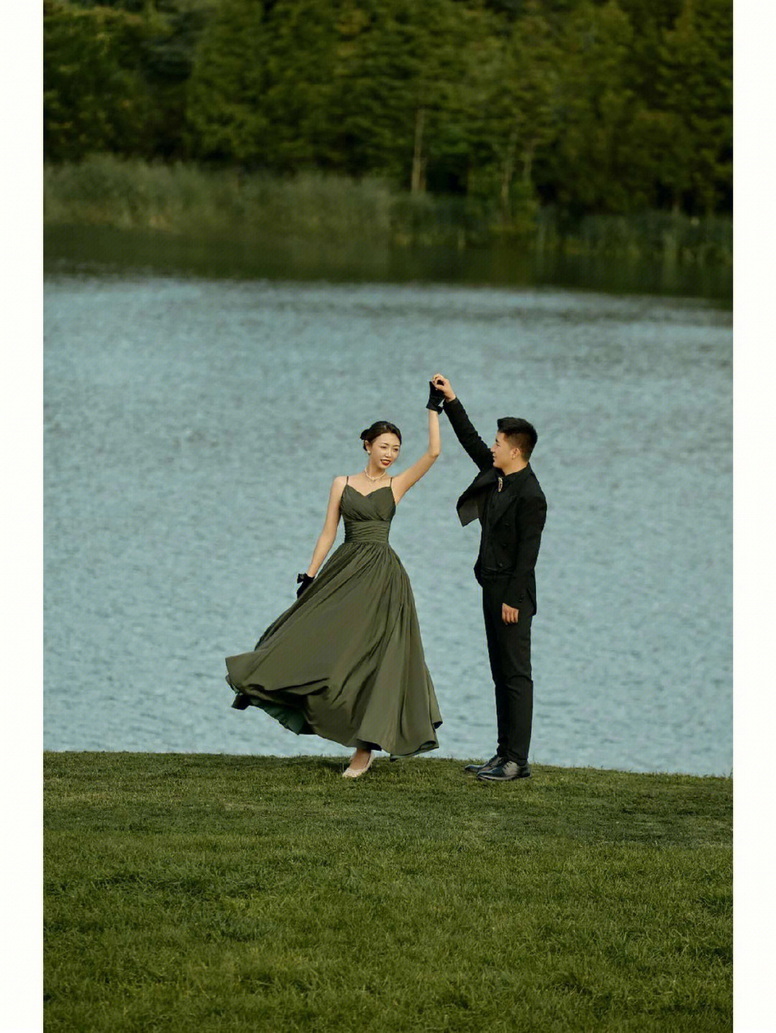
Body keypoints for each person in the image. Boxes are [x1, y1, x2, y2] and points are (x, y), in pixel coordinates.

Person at [225, 384, 446, 778]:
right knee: (321, 644)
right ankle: (294, 694)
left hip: (384, 578)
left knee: (377, 659)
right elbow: (328, 531)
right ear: (367, 445)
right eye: (384, 446)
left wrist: (434, 408)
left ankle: (365, 749)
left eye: (396, 449)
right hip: (344, 571)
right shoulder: (341, 484)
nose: (390, 454)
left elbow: (433, 453)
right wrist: (310, 573)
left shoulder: (395, 485)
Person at [431, 373, 547, 782]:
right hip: (492, 587)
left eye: (499, 443)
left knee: (516, 676)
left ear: (515, 451)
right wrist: (450, 401)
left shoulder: (531, 495)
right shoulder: (497, 474)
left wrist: (513, 599)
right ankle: (502, 755)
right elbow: (470, 440)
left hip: (513, 596)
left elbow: (528, 555)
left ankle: (518, 760)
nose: (492, 447)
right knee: (499, 673)